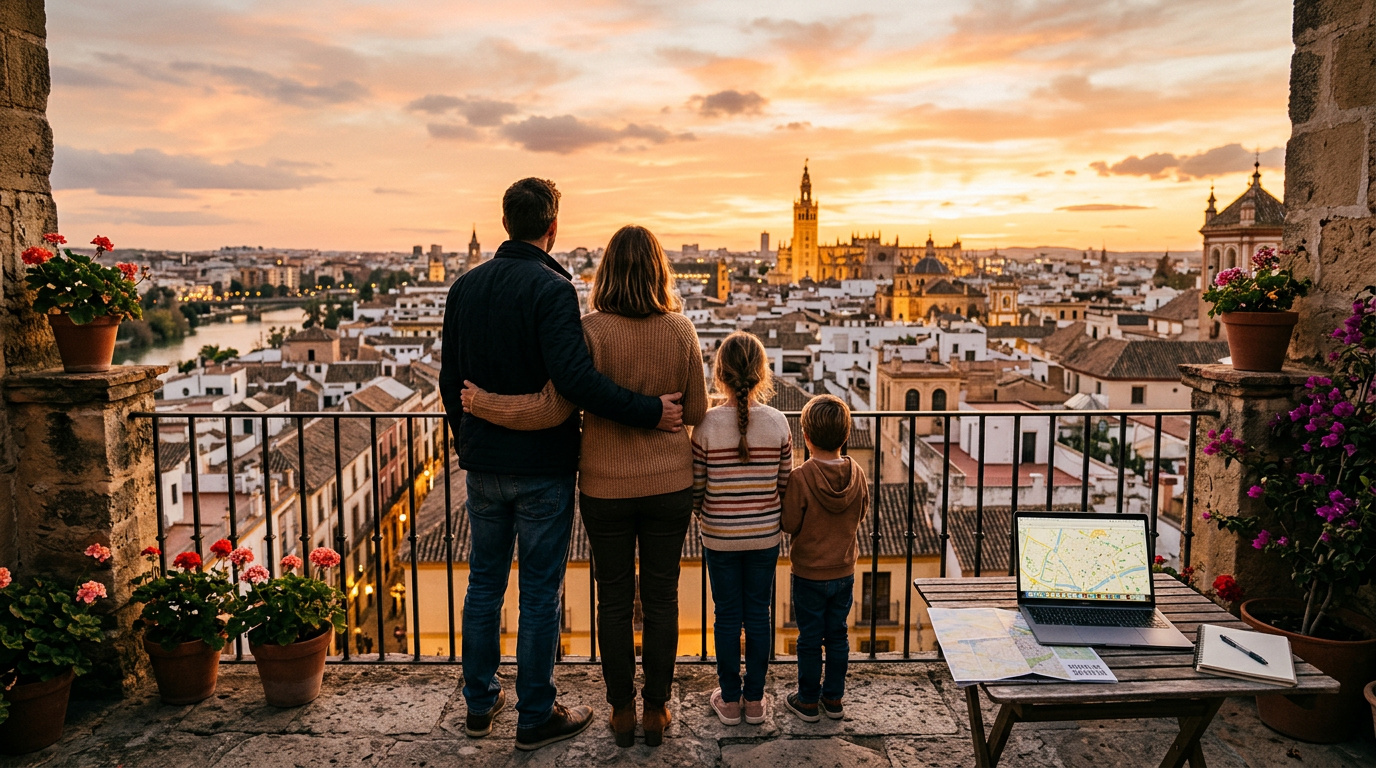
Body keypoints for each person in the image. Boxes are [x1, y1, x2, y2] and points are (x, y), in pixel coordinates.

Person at [439, 179, 685, 752]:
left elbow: (451, 380)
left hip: (484, 465)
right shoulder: (553, 289)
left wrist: (467, 440)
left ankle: (479, 703)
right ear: (552, 226)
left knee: (483, 584)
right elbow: (574, 384)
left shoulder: (464, 287)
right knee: (539, 592)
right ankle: (534, 715)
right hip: (543, 467)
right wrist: (651, 412)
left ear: (506, 223)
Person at [692, 331, 792, 726]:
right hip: (764, 535)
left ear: (719, 374)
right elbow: (784, 486)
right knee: (759, 615)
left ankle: (730, 700)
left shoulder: (705, 425)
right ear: (762, 373)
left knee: (727, 617)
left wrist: (707, 515)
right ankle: (755, 700)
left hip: (719, 536)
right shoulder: (779, 423)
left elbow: (697, 489)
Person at [779, 395, 868, 722]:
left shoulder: (801, 477)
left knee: (809, 639)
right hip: (843, 571)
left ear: (806, 437)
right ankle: (833, 699)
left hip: (808, 574)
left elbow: (789, 524)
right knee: (838, 636)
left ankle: (807, 700)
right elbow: (861, 513)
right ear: (846, 436)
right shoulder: (857, 473)